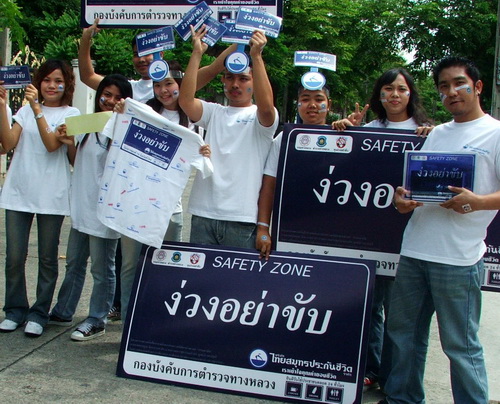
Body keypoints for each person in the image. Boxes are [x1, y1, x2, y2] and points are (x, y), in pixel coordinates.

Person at [379, 56, 497, 404]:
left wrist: (477, 201)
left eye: (459, 83)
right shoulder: (437, 134)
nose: (451, 92)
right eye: (444, 86)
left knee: (460, 345)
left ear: (477, 87)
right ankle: (402, 399)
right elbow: (416, 186)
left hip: (459, 258)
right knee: (403, 336)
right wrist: (402, 200)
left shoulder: (495, 133)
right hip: (415, 250)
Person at [334, 68, 433, 391]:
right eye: (388, 89)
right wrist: (345, 131)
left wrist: (433, 136)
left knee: (401, 317)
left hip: (410, 238)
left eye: (401, 89)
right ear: (379, 94)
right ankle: (371, 370)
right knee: (371, 310)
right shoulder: (370, 130)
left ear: (410, 94)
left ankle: (394, 380)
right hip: (370, 237)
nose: (394, 95)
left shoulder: (427, 132)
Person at [114, 61, 211, 321]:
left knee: (165, 266)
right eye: (157, 85)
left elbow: (203, 163)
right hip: (134, 205)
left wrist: (204, 153)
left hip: (170, 209)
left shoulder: (195, 120)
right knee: (130, 266)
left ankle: (158, 321)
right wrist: (120, 114)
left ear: (181, 84)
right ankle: (128, 323)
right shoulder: (143, 112)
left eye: (169, 83)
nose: (163, 90)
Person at [48, 75, 133, 341]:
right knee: (74, 262)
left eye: (117, 97)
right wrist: (69, 143)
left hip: (104, 211)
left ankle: (97, 319)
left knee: (102, 268)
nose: (110, 100)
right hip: (82, 206)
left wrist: (122, 118)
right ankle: (64, 311)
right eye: (106, 94)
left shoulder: (124, 129)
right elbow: (80, 161)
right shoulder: (87, 123)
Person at [179, 26, 278, 249]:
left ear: (254, 82)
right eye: (230, 78)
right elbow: (185, 100)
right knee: (200, 274)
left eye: (243, 79)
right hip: (203, 214)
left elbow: (266, 108)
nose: (235, 84)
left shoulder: (261, 118)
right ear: (222, 80)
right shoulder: (214, 112)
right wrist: (197, 54)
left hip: (241, 219)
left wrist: (256, 56)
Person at [0, 59, 80, 337]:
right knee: (14, 257)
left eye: (58, 81)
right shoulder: (24, 110)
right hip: (19, 191)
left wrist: (36, 109)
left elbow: (51, 146)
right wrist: (2, 106)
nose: (52, 86)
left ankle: (39, 313)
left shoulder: (72, 113)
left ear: (67, 85)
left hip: (52, 195)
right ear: (38, 81)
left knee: (47, 258)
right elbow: (8, 143)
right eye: (47, 80)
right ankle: (14, 310)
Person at [256, 84, 332, 259]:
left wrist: (353, 131)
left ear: (329, 104)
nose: (312, 105)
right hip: (290, 232)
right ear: (297, 103)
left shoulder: (342, 137)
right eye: (305, 99)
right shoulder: (284, 139)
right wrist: (263, 229)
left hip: (328, 232)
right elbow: (269, 186)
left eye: (319, 99)